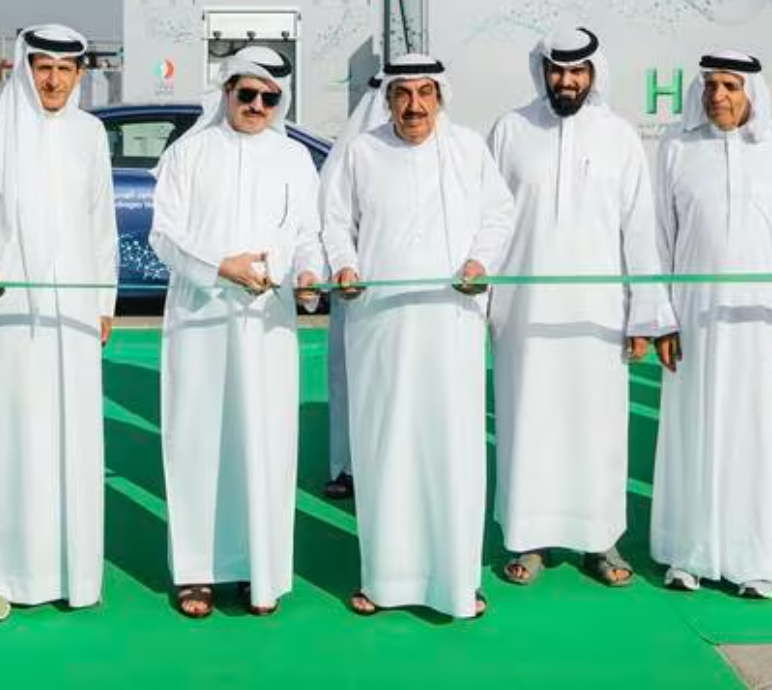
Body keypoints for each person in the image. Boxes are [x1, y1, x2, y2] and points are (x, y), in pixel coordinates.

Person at [322, 53, 515, 620]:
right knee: (386, 448)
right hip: (379, 326)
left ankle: (458, 583)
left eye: (424, 93)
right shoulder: (362, 151)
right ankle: (384, 579)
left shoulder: (469, 150)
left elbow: (498, 216)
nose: (413, 105)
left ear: (440, 96)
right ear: (387, 100)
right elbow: (334, 220)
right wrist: (345, 265)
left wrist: (480, 261)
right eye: (402, 94)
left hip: (450, 326)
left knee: (451, 450)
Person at [485, 26, 670, 589]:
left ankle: (601, 541)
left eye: (578, 71)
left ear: (594, 73)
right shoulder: (511, 130)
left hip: (598, 314)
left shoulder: (618, 137)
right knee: (528, 421)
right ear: (542, 70)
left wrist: (646, 315)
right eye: (558, 70)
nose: (567, 81)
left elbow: (640, 232)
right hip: (525, 311)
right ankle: (527, 538)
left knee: (598, 427)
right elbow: (488, 222)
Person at [151, 46, 323, 619]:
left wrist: (307, 274)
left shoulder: (295, 158)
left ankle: (262, 572)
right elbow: (163, 237)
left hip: (268, 325)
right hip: (201, 321)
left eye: (268, 97)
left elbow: (307, 232)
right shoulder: (189, 153)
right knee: (200, 441)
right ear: (226, 93)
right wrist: (218, 266)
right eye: (245, 94)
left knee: (266, 444)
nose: (256, 105)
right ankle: (198, 573)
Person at [0, 23, 117, 622]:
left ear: (79, 75)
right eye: (43, 68)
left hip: (73, 314)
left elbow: (101, 226)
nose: (53, 80)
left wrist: (105, 303)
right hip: (9, 309)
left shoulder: (89, 133)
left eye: (64, 70)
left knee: (71, 438)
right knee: (10, 435)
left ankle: (72, 573)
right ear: (27, 70)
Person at [648, 51, 772, 599]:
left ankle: (756, 560)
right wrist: (661, 320)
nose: (719, 96)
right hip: (693, 320)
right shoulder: (676, 149)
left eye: (730, 86)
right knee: (695, 433)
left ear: (752, 94)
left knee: (760, 439)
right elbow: (657, 242)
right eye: (712, 85)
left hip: (764, 325)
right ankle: (688, 554)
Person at [322, 74, 387, 501]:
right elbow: (333, 219)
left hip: (407, 302)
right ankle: (347, 467)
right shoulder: (353, 155)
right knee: (352, 380)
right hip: (356, 292)